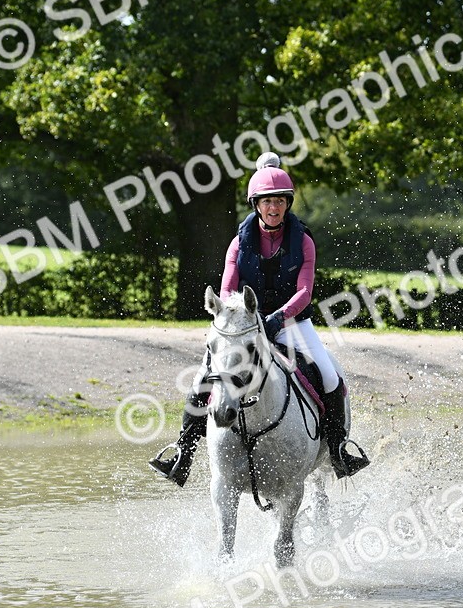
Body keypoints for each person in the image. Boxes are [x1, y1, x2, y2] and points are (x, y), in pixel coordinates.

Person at [149, 152, 371, 486]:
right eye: (267, 202)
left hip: (293, 324)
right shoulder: (239, 243)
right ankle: (183, 453)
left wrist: (279, 317)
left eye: (280, 201)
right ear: (256, 204)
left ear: (287, 203)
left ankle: (338, 450)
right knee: (202, 381)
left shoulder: (304, 241)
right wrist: (237, 318)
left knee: (328, 376)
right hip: (243, 326)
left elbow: (305, 292)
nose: (274, 207)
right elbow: (226, 288)